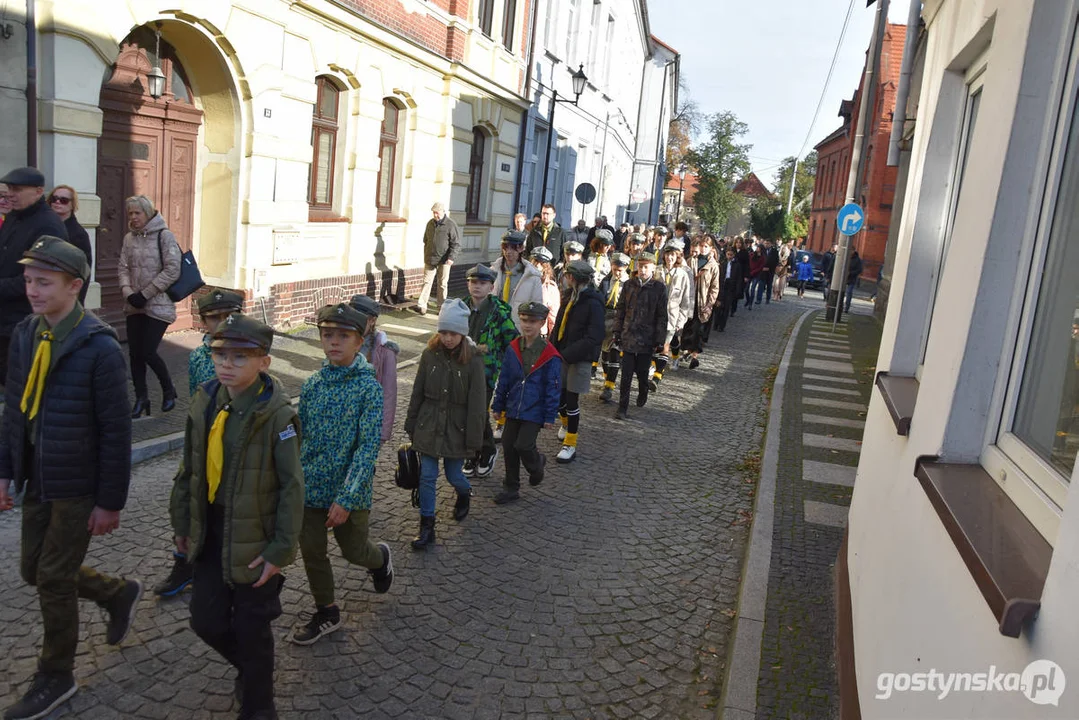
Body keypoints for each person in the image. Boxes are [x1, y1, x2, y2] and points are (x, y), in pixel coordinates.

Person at [0, 237, 139, 720]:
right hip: (38, 476)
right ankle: (116, 592)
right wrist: (5, 470)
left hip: (79, 483)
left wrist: (110, 501)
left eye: (44, 282)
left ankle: (55, 675)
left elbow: (116, 431)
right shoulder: (26, 333)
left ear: (75, 286)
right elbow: (15, 407)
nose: (32, 290)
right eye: (28, 280)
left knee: (53, 579)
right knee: (31, 570)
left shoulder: (99, 347)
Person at [170, 313, 303, 720]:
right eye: (219, 354)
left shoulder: (276, 416)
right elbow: (190, 465)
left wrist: (280, 549)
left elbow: (291, 487)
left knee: (252, 630)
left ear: (264, 362)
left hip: (255, 541)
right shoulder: (207, 400)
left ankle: (260, 705)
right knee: (206, 621)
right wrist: (182, 522)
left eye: (240, 357)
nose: (226, 364)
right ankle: (250, 671)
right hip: (211, 532)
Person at [292, 303, 392, 646]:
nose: (333, 342)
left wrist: (346, 498)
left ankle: (380, 559)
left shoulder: (369, 388)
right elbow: (300, 437)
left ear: (358, 341)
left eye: (342, 336)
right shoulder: (312, 385)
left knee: (354, 552)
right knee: (312, 551)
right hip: (311, 488)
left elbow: (367, 449)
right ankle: (327, 610)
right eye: (327, 334)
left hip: (350, 492)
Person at [153, 288, 246, 599]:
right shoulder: (197, 357)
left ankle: (226, 569)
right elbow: (195, 399)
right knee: (187, 500)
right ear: (203, 321)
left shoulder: (248, 354)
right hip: (202, 442)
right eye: (213, 318)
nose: (220, 324)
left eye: (227, 317)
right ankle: (184, 563)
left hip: (234, 445)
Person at [405, 299, 487, 550]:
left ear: (462, 333)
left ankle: (464, 493)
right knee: (427, 476)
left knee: (454, 475)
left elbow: (477, 406)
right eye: (443, 332)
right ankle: (426, 526)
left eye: (452, 333)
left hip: (457, 428)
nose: (447, 338)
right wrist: (412, 421)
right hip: (430, 424)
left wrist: (474, 441)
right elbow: (418, 390)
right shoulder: (430, 354)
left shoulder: (473, 361)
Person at [0, 167, 68, 382]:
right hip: (5, 319)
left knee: (20, 388)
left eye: (17, 189)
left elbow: (41, 281)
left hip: (26, 323)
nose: (10, 193)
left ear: (38, 191)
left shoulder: (49, 225)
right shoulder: (13, 217)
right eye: (9, 188)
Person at [491, 301, 562, 504]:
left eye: (532, 321)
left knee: (523, 445)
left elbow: (553, 386)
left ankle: (536, 464)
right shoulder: (513, 348)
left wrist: (550, 415)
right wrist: (498, 404)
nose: (527, 325)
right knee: (508, 444)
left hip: (535, 409)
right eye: (523, 320)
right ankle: (511, 487)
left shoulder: (549, 354)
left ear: (541, 323)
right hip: (514, 406)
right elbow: (504, 378)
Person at [119, 194, 181, 418]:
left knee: (147, 351)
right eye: (130, 214)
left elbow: (173, 270)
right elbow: (123, 268)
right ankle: (141, 398)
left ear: (148, 213)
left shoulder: (164, 236)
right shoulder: (129, 238)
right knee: (135, 354)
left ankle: (168, 389)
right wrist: (128, 293)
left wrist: (146, 293)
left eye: (137, 213)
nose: (133, 217)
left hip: (158, 304)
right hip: (134, 304)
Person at [462, 264, 518, 480]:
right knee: (466, 413)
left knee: (476, 412)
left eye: (482, 283)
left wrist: (502, 366)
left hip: (485, 372)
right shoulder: (459, 307)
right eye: (473, 282)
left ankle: (483, 451)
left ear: (491, 287)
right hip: (461, 369)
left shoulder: (499, 311)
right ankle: (475, 452)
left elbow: (511, 342)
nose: (477, 286)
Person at [550, 260, 605, 463]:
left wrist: (568, 354)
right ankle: (565, 425)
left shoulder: (593, 301)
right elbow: (558, 325)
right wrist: (552, 347)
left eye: (566, 275)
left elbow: (595, 336)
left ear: (572, 278)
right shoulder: (569, 296)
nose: (564, 278)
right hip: (561, 354)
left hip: (579, 358)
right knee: (560, 397)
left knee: (572, 400)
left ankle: (570, 444)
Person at [612, 252, 667, 420]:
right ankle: (622, 407)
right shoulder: (629, 285)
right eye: (640, 266)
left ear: (652, 268)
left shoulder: (659, 288)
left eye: (646, 267)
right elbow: (620, 309)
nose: (642, 270)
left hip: (647, 338)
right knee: (626, 374)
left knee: (642, 372)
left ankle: (643, 389)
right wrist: (617, 331)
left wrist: (659, 339)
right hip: (629, 335)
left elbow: (662, 316)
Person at [350, 294, 399, 445]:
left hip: (368, 425)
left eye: (360, 318)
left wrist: (382, 434)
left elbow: (389, 394)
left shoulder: (385, 351)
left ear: (372, 321)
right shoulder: (344, 342)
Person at [651, 242, 692, 391]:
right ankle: (654, 367)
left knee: (665, 345)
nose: (670, 258)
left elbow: (686, 300)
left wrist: (682, 320)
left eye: (673, 255)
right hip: (655, 315)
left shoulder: (682, 275)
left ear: (677, 257)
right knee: (654, 344)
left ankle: (657, 376)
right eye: (667, 254)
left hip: (672, 316)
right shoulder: (656, 271)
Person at [46, 185, 93, 304]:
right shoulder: (44, 227)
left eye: (63, 200)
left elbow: (84, 271)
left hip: (65, 295)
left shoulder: (78, 234)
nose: (57, 202)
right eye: (54, 198)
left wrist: (76, 300)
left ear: (72, 205)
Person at [492, 230, 544, 332]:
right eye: (505, 247)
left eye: (513, 247)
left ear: (521, 248)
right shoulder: (494, 271)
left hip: (517, 330)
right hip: (495, 327)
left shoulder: (532, 276)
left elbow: (537, 306)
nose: (508, 251)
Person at [415, 202, 460, 315]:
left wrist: (451, 257)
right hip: (430, 258)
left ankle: (441, 307)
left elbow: (456, 243)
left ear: (443, 212)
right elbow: (425, 239)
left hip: (445, 260)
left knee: (442, 284)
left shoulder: (450, 224)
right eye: (434, 213)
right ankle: (422, 305)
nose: (435, 215)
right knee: (426, 282)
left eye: (437, 213)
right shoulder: (430, 224)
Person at [682, 238, 720, 368]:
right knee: (687, 327)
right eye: (701, 246)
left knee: (698, 330)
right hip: (689, 299)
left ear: (710, 248)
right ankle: (687, 350)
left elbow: (714, 287)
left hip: (703, 302)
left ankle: (694, 356)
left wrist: (710, 304)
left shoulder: (713, 265)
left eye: (706, 246)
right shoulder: (691, 261)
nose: (703, 249)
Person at [598, 252, 630, 402]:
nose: (617, 273)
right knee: (605, 353)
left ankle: (609, 387)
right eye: (615, 269)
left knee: (615, 351)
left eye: (620, 270)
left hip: (621, 319)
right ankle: (607, 379)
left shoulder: (630, 284)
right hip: (606, 317)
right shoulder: (605, 281)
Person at [528, 246, 561, 337]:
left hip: (539, 333)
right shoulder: (522, 281)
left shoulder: (550, 288)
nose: (537, 266)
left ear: (546, 267)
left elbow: (553, 315)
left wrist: (552, 336)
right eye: (535, 262)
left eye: (541, 263)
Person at [714, 247, 743, 332]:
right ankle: (716, 323)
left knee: (726, 307)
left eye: (731, 255)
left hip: (730, 287)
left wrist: (737, 290)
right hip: (721, 285)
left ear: (734, 255)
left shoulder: (737, 265)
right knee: (718, 306)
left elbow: (738, 278)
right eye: (728, 254)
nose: (729, 256)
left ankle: (722, 326)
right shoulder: (722, 263)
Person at [745, 243, 765, 310]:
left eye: (759, 248)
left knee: (753, 289)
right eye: (757, 248)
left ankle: (750, 303)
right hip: (749, 274)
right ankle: (748, 299)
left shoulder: (763, 258)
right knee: (746, 289)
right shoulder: (752, 254)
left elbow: (760, 267)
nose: (757, 249)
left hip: (756, 275)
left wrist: (753, 272)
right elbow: (748, 262)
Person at [760, 239, 779, 305]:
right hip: (762, 270)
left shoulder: (774, 251)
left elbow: (776, 261)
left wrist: (772, 268)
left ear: (771, 244)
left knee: (769, 285)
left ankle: (768, 299)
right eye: (765, 243)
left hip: (770, 271)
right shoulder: (762, 250)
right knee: (761, 284)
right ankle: (759, 299)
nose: (766, 245)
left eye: (767, 243)